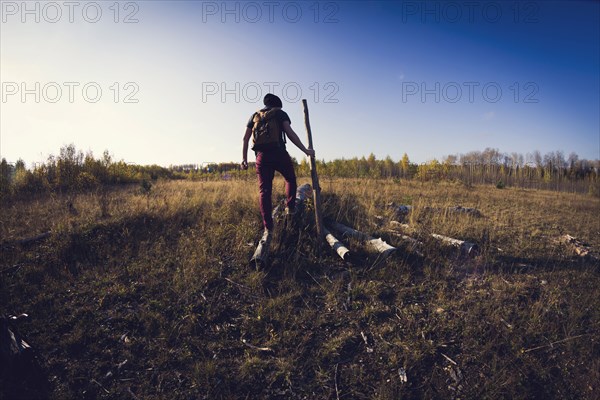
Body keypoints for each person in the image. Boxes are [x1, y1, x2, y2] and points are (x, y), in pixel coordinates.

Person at [241, 93, 315, 241]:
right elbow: (290, 134)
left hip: (261, 156)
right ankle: (290, 208)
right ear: (277, 105)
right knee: (290, 179)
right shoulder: (280, 113)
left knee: (264, 191)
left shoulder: (254, 116)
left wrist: (244, 159)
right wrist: (306, 151)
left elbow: (245, 138)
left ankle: (268, 227)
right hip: (279, 153)